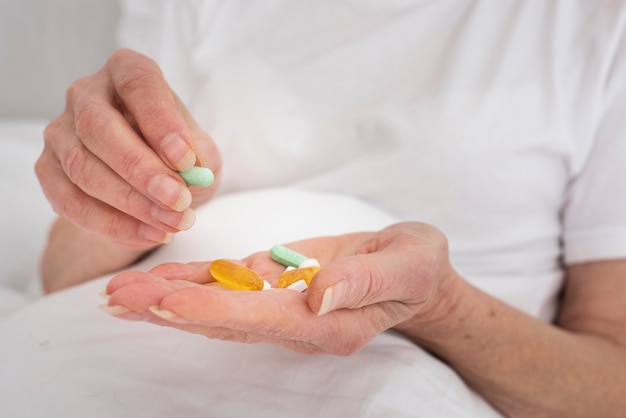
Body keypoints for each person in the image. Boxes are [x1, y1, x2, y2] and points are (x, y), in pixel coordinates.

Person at [31, 1, 626, 417]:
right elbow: (62, 276)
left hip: (411, 384)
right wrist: (144, 191)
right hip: (128, 353)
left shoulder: (597, 25)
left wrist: (439, 304)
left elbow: (612, 388)